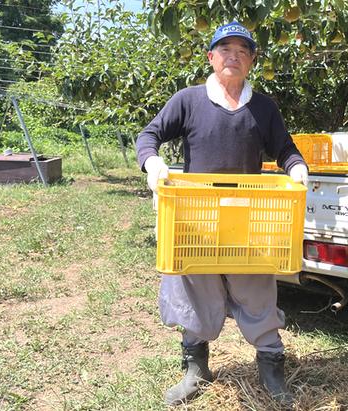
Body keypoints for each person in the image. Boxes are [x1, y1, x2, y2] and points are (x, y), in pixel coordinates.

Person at [136, 21, 308, 406]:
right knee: (196, 290)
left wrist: (297, 168)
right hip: (197, 219)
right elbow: (148, 136)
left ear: (251, 61)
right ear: (211, 58)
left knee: (257, 291)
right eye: (225, 49)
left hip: (247, 220)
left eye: (242, 50)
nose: (233, 56)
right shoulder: (189, 100)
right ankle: (196, 369)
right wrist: (153, 164)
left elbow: (286, 149)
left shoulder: (263, 108)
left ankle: (271, 369)